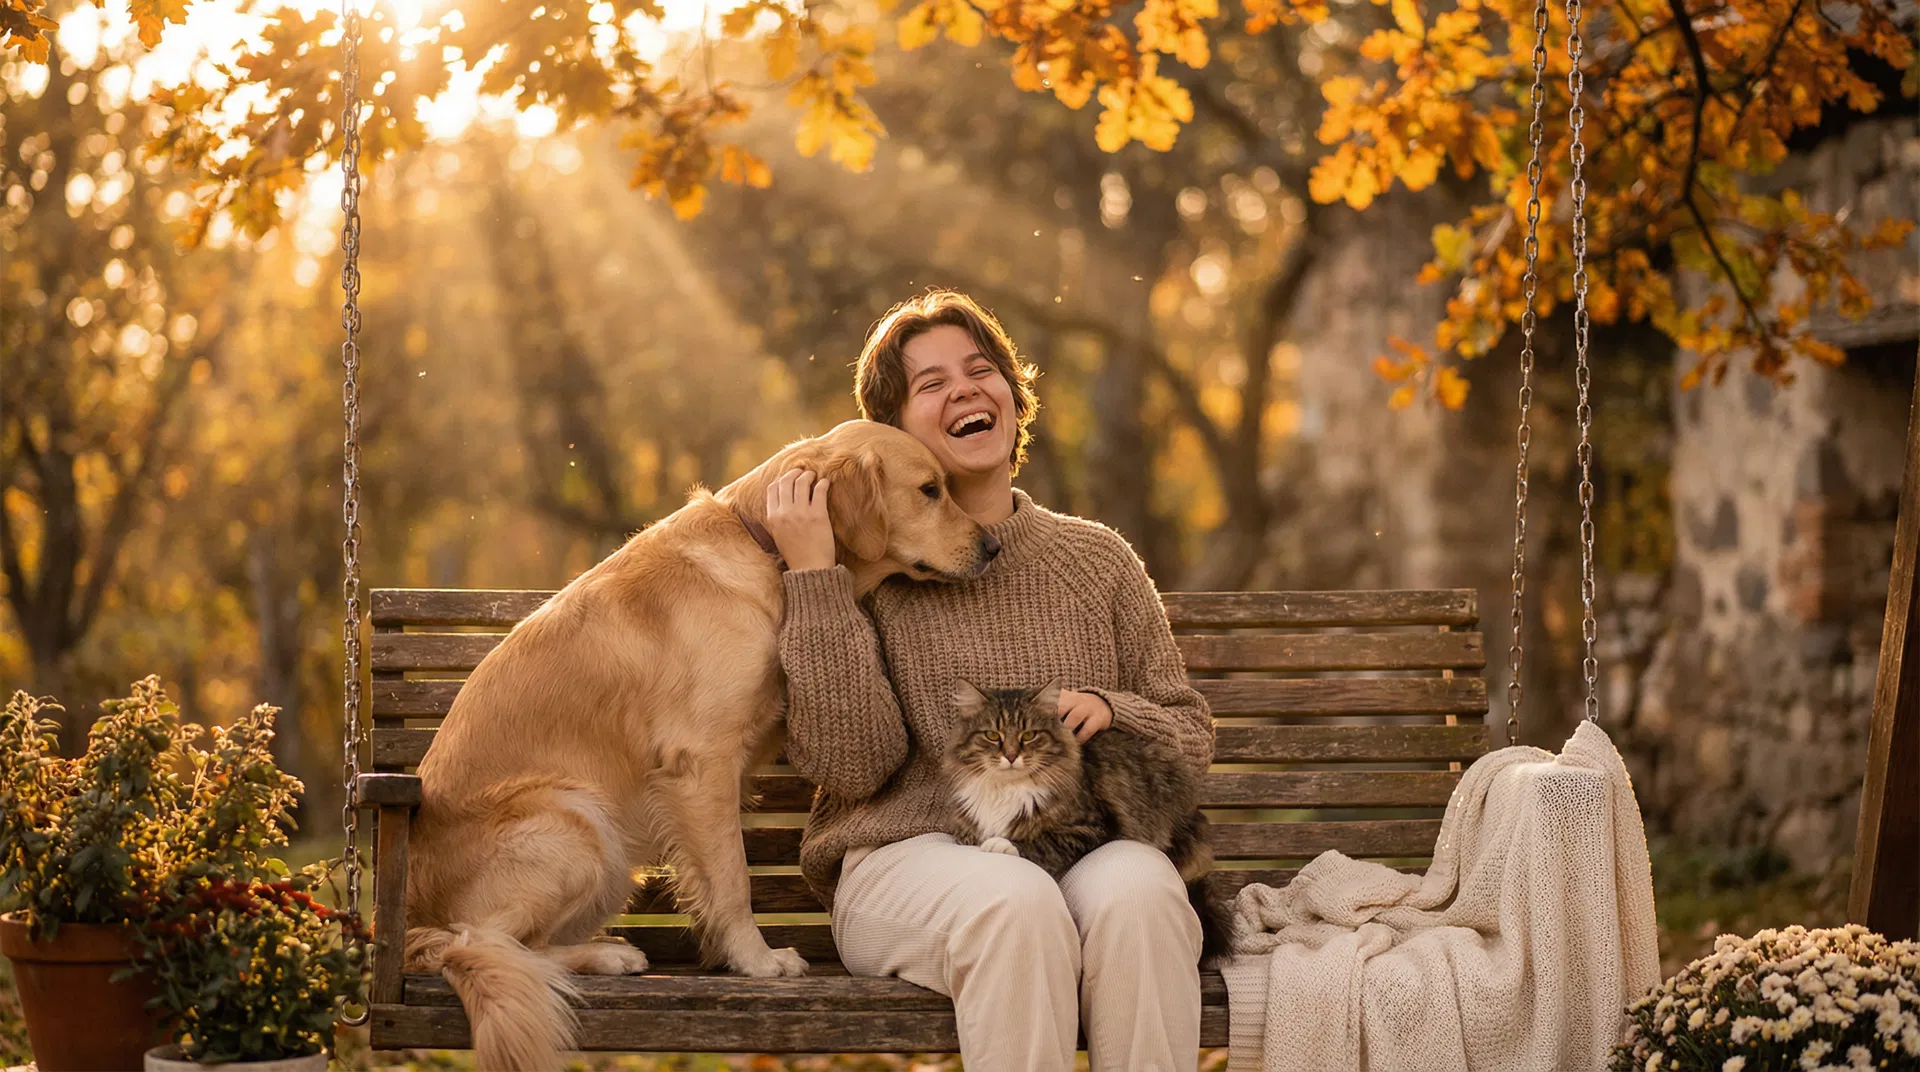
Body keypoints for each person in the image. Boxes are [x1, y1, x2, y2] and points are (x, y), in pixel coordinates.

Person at [764, 290, 1214, 1072]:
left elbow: (1190, 732)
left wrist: (1112, 709)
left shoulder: (1097, 561)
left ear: (1012, 396)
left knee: (1143, 893)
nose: (966, 389)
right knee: (1013, 903)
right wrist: (815, 578)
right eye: (930, 384)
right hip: (903, 865)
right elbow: (851, 768)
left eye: (981, 370)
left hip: (1077, 852)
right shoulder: (866, 573)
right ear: (895, 429)